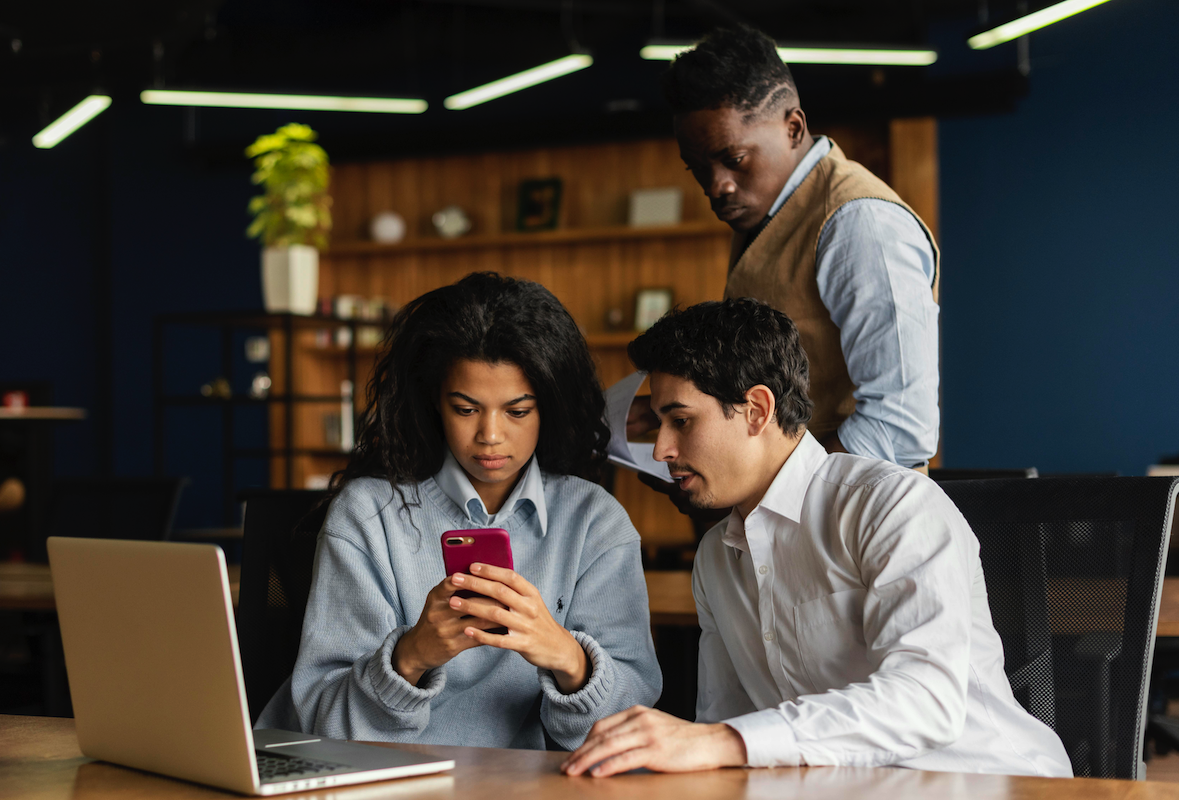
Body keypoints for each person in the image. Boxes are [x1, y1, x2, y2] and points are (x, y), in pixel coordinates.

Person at [562, 298, 1071, 777]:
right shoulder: (716, 558)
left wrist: (719, 743)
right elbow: (727, 722)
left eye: (680, 421)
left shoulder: (892, 507)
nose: (661, 450)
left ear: (757, 410)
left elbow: (927, 700)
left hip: (987, 782)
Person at [256, 272, 662, 750]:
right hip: (374, 780)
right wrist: (410, 657)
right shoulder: (368, 515)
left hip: (512, 787)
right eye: (466, 409)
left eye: (517, 410)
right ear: (435, 403)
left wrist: (569, 658)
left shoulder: (595, 521)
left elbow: (628, 725)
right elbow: (326, 727)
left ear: (548, 405)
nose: (490, 436)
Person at [629, 25, 940, 473]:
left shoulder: (861, 223)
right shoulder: (764, 213)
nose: (717, 185)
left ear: (793, 127)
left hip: (854, 524)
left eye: (734, 159)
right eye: (698, 167)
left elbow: (901, 426)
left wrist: (772, 487)